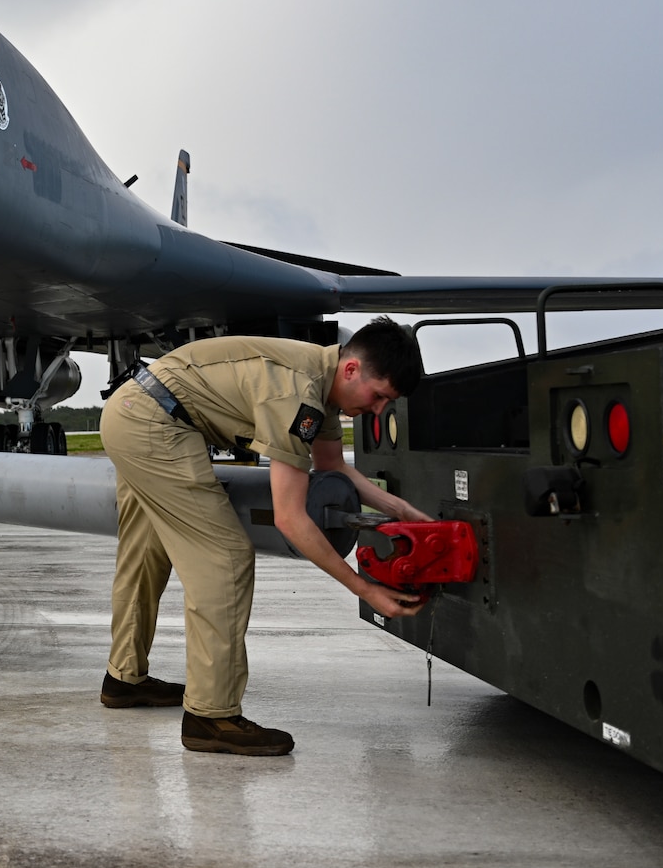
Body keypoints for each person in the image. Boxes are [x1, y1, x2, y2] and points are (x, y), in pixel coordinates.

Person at [98, 318, 432, 756]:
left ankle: (123, 680)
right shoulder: (298, 393)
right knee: (226, 560)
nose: (377, 411)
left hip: (136, 411)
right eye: (379, 397)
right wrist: (365, 589)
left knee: (145, 553)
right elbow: (291, 519)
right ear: (352, 369)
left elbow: (333, 467)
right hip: (153, 422)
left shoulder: (324, 384)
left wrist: (405, 514)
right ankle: (211, 717)